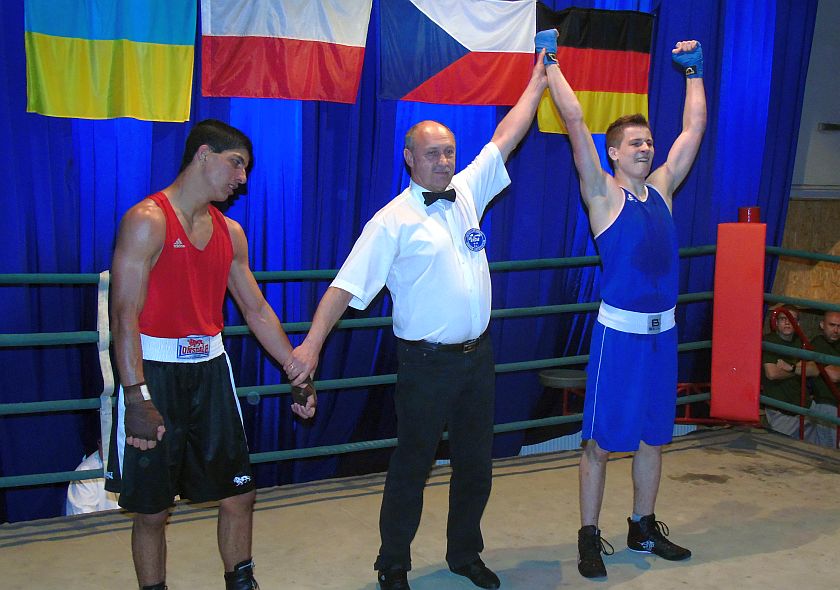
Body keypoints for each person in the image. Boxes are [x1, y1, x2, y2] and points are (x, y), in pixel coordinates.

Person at [285, 56, 547, 590]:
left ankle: (465, 554)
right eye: (432, 154)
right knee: (412, 466)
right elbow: (344, 287)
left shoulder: (468, 191)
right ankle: (393, 563)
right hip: (425, 364)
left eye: (449, 151)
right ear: (409, 158)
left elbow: (507, 135)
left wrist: (540, 79)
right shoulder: (391, 221)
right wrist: (310, 346)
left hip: (478, 358)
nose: (444, 162)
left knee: (475, 464)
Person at [105, 119, 316, 590]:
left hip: (211, 371)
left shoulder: (230, 232)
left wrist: (297, 372)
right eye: (236, 164)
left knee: (239, 493)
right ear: (203, 155)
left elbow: (256, 309)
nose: (242, 178)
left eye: (245, 169)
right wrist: (136, 396)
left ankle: (241, 582)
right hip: (154, 371)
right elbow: (123, 315)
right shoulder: (147, 220)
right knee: (152, 509)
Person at [536, 30, 706, 578]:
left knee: (655, 436)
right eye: (635, 143)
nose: (646, 148)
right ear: (613, 152)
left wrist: (694, 72)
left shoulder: (664, 189)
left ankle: (643, 525)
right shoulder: (602, 193)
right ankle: (589, 536)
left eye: (648, 141)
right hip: (620, 337)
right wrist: (551, 63)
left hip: (663, 335)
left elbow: (693, 129)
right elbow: (575, 121)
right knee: (600, 443)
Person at [761, 306, 806, 438]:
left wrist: (790, 367)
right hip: (780, 409)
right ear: (776, 322)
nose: (787, 322)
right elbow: (772, 373)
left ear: (798, 323)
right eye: (783, 319)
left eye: (792, 319)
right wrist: (797, 369)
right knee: (783, 444)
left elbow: (814, 369)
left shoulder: (801, 341)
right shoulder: (769, 341)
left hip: (803, 405)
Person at [803, 310, 840, 448]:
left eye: (839, 326)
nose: (836, 330)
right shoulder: (818, 343)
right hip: (827, 402)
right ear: (822, 325)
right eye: (832, 325)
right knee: (829, 448)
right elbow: (834, 375)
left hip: (834, 402)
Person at [65, 439, 120, 516]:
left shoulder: (133, 462)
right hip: (101, 523)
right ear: (99, 443)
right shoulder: (84, 474)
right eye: (105, 443)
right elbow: (84, 519)